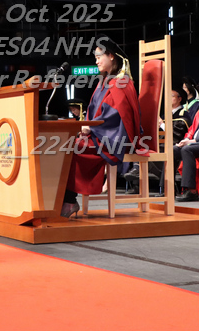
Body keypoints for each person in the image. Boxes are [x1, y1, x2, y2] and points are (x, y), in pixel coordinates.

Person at [61, 35, 143, 217]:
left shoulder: (121, 83)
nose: (96, 61)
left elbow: (118, 117)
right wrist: (87, 127)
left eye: (99, 57)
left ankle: (69, 200)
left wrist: (91, 128)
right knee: (67, 145)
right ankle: (65, 199)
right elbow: (93, 110)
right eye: (95, 57)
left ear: (111, 56)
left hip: (115, 137)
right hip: (101, 133)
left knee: (73, 148)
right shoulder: (105, 82)